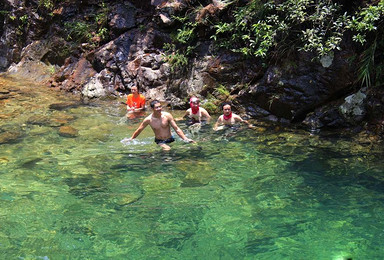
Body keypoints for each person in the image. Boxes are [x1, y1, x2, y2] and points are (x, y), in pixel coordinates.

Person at [128, 100, 195, 150]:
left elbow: (176, 128)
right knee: (167, 149)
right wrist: (131, 138)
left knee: (188, 146)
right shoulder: (148, 120)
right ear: (152, 109)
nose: (159, 109)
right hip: (160, 141)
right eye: (157, 107)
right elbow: (139, 130)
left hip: (171, 138)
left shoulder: (167, 115)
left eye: (160, 106)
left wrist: (185, 139)